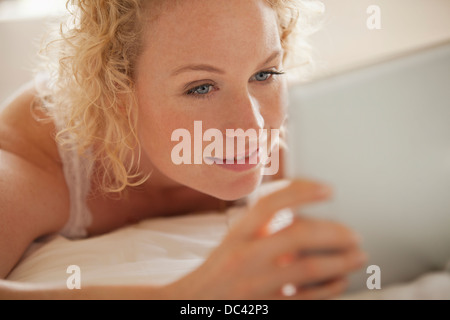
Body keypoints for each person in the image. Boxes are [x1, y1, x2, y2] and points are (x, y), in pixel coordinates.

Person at [0, 0, 366, 299]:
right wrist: (187, 295)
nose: (252, 126)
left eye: (264, 74)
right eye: (201, 88)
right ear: (116, 94)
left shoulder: (293, 146)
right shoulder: (33, 162)